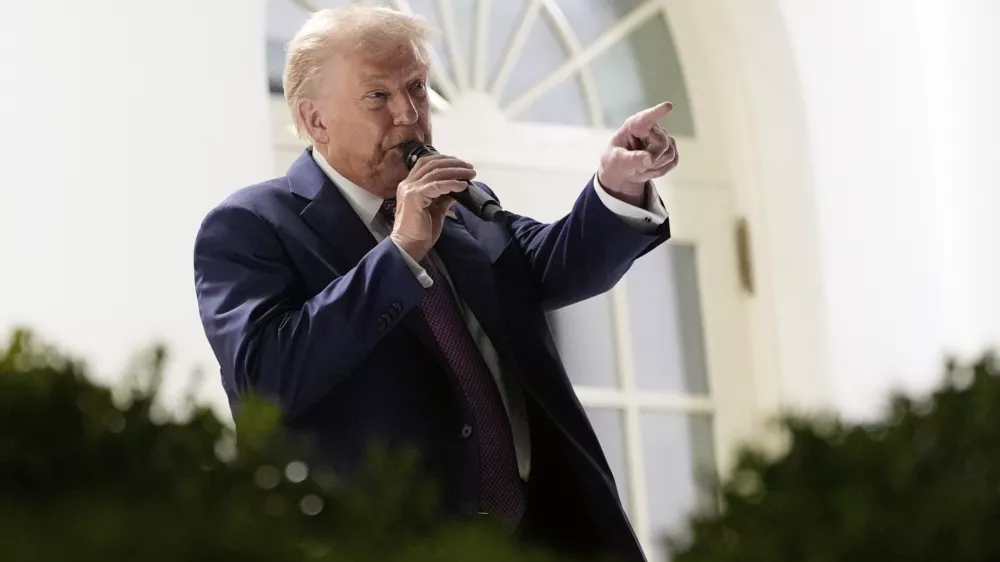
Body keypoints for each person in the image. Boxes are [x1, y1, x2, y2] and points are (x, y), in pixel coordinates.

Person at [194, 5, 677, 561]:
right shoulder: (251, 226)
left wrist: (617, 187)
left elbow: (557, 263)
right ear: (315, 120)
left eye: (417, 87)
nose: (409, 114)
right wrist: (400, 254)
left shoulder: (460, 208)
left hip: (548, 536)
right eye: (378, 96)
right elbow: (265, 382)